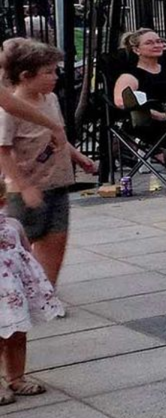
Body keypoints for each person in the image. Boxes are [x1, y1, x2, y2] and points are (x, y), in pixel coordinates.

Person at [0, 40, 94, 289]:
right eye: (49, 71)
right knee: (23, 243)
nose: (55, 77)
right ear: (25, 76)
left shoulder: (50, 99)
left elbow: (58, 136)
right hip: (27, 188)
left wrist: (78, 157)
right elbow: (3, 152)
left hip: (57, 181)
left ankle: (47, 292)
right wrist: (23, 185)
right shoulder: (9, 109)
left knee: (56, 238)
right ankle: (17, 291)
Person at [0, 195, 61, 406]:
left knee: (18, 335)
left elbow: (26, 252)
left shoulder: (13, 225)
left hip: (13, 295)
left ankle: (16, 377)